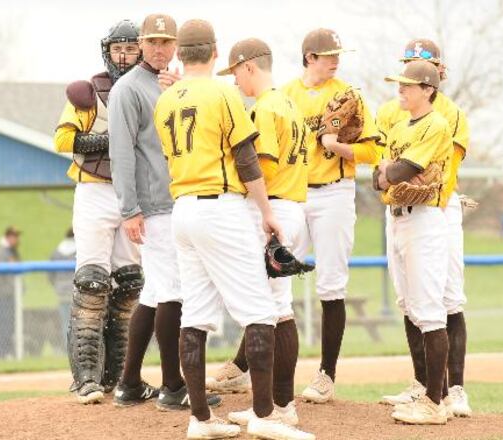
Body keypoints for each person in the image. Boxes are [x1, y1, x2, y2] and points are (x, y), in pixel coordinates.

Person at [154, 20, 314, 440]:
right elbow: (246, 158)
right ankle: (264, 414)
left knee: (196, 316)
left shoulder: (165, 99)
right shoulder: (225, 93)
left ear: (178, 54)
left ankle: (201, 420)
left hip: (182, 210)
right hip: (221, 208)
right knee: (261, 312)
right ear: (213, 51)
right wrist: (264, 210)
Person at [108, 13, 220, 411]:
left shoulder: (171, 85)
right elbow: (119, 152)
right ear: (140, 42)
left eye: (165, 41)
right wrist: (129, 209)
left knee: (155, 294)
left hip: (174, 200)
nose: (159, 48)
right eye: (152, 41)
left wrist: (181, 89)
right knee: (173, 291)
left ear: (176, 46)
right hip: (154, 206)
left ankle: (129, 383)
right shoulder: (128, 89)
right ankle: (174, 387)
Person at [210, 38, 311, 428]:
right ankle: (280, 405)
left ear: (250, 66)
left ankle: (275, 407)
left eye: (235, 71)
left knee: (268, 311)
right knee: (277, 307)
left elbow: (260, 168)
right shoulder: (289, 103)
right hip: (292, 206)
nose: (235, 80)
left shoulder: (267, 108)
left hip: (274, 210)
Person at [281, 28, 380, 403]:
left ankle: (326, 375)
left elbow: (374, 148)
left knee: (331, 284)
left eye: (338, 53)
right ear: (309, 57)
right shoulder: (285, 95)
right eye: (328, 54)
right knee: (272, 273)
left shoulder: (347, 95)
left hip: (334, 194)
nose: (335, 59)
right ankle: (244, 365)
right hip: (293, 193)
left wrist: (340, 146)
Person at [53, 19, 148, 404]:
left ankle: (120, 376)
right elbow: (63, 139)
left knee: (128, 285)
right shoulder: (91, 92)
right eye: (117, 50)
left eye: (130, 49)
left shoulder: (153, 88)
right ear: (107, 52)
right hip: (95, 191)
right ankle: (86, 378)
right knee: (92, 282)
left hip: (134, 195)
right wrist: (115, 140)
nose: (123, 56)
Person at [377, 39, 472, 417]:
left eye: (420, 64)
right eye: (408, 63)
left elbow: (438, 173)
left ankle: (454, 390)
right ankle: (425, 385)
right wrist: (388, 176)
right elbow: (381, 166)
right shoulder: (392, 112)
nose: (409, 71)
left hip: (439, 207)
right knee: (409, 299)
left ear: (436, 74)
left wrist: (404, 179)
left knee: (447, 298)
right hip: (397, 210)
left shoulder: (449, 115)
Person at [0, 226, 21, 358]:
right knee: (3, 324)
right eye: (15, 236)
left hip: (12, 295)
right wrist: (6, 288)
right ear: (8, 237)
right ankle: (1, 353)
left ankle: (8, 351)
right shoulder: (0, 251)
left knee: (10, 324)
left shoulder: (12, 251)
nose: (17, 239)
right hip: (3, 295)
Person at [48, 228, 76, 336]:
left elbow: (50, 275)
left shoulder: (56, 252)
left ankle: (67, 348)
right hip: (76, 292)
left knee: (66, 323)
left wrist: (57, 285)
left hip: (61, 292)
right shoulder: (79, 251)